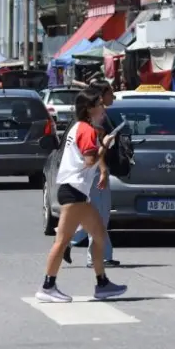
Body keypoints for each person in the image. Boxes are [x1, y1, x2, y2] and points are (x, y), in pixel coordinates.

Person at [37, 88, 126, 303]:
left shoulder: (79, 127)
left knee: (99, 235)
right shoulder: (86, 130)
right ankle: (48, 286)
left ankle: (102, 283)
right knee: (63, 241)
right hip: (74, 190)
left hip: (75, 190)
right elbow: (89, 161)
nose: (103, 108)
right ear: (89, 109)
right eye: (99, 104)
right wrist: (104, 146)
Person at [65, 79, 119, 268]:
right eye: (110, 92)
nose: (113, 96)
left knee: (96, 215)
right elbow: (94, 151)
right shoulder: (94, 121)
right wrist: (103, 169)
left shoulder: (93, 119)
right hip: (94, 173)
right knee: (100, 215)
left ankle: (68, 241)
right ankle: (98, 257)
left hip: (89, 174)